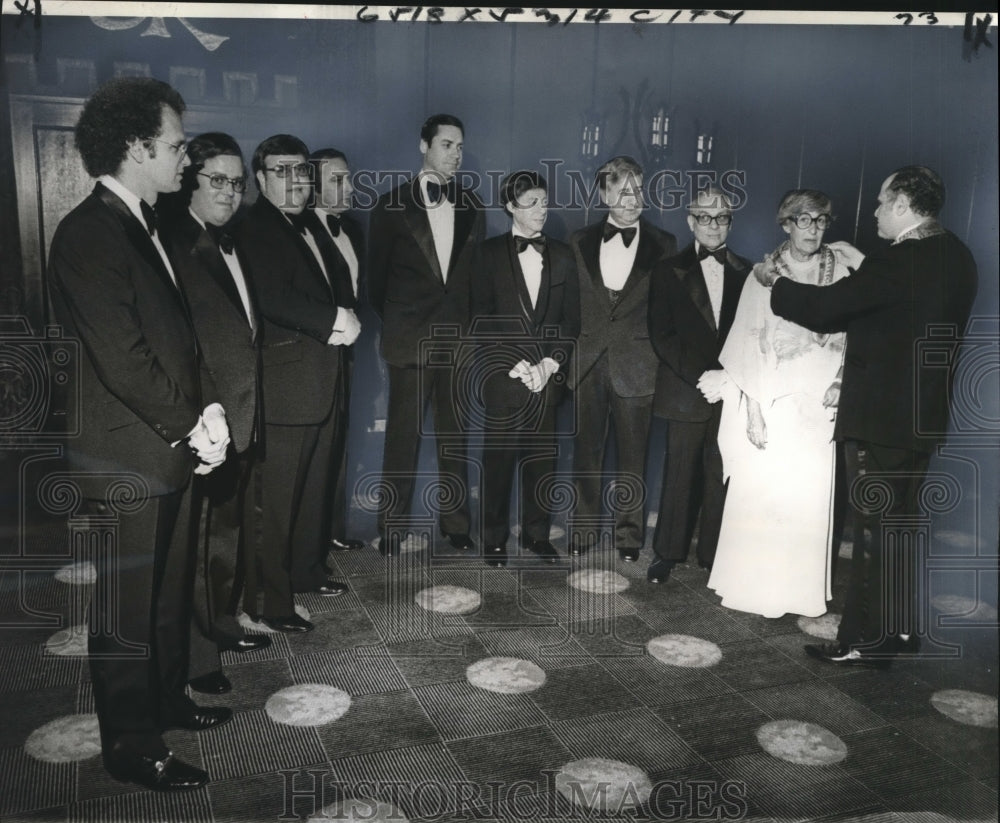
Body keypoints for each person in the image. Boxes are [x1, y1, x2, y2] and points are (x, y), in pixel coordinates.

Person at [47, 77, 231, 791]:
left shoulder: (149, 223)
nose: (185, 159)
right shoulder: (87, 233)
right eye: (177, 146)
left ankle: (163, 698)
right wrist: (192, 421)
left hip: (170, 446)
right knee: (124, 607)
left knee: (163, 589)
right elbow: (124, 357)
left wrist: (208, 413)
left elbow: (181, 341)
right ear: (136, 148)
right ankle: (129, 741)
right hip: (126, 452)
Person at [755, 166, 978, 665]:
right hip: (923, 418)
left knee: (874, 529)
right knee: (902, 526)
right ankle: (899, 631)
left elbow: (826, 309)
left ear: (902, 205)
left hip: (879, 418)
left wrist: (776, 281)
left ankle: (860, 640)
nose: (874, 211)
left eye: (880, 202)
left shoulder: (898, 262)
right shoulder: (960, 256)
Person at [160, 132, 272, 697]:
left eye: (237, 182)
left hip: (241, 411)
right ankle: (198, 660)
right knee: (200, 540)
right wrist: (206, 416)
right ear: (190, 181)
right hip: (206, 419)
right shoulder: (174, 243)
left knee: (225, 532)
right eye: (217, 180)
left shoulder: (234, 240)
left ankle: (221, 625)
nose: (230, 192)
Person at [708, 190, 852, 617]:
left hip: (819, 404)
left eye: (821, 221)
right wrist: (752, 410)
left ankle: (797, 592)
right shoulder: (763, 275)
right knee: (766, 496)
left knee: (805, 498)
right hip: (771, 402)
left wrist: (842, 380)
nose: (813, 229)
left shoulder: (844, 270)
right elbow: (746, 342)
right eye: (803, 220)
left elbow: (858, 334)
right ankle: (754, 589)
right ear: (786, 224)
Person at [235, 134, 354, 633]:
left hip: (322, 375)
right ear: (260, 179)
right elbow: (270, 297)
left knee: (313, 488)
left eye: (303, 171)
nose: (297, 181)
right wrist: (332, 319)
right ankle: (271, 602)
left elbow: (338, 283)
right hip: (286, 385)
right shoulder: (252, 226)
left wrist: (341, 314)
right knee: (277, 501)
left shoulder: (308, 224)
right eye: (283, 171)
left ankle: (306, 570)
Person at [368, 114, 485, 555]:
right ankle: (392, 528)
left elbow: (474, 282)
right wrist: (405, 324)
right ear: (423, 146)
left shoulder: (472, 204)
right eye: (446, 145)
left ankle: (456, 526)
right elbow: (375, 287)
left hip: (457, 344)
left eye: (460, 147)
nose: (455, 154)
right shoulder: (390, 205)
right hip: (410, 342)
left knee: (456, 439)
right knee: (402, 438)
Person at [566, 156, 676, 562]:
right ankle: (583, 529)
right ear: (604, 193)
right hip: (588, 362)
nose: (632, 200)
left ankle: (629, 536)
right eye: (623, 192)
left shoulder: (664, 244)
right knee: (586, 453)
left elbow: (667, 312)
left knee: (634, 455)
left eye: (638, 191)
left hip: (638, 364)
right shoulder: (577, 240)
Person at [471, 171, 580, 566]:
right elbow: (477, 317)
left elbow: (571, 322)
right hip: (504, 381)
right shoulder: (486, 254)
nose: (541, 210)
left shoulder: (564, 255)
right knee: (498, 464)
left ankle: (537, 536)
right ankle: (493, 539)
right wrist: (511, 363)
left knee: (542, 463)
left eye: (544, 202)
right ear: (510, 208)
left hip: (546, 381)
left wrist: (550, 364)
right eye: (531, 203)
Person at [647, 188, 751, 584]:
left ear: (730, 222)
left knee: (720, 473)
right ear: (690, 222)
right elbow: (661, 333)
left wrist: (727, 377)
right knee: (679, 474)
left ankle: (713, 555)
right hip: (686, 388)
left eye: (721, 217)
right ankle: (667, 554)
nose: (713, 225)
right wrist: (699, 376)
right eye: (704, 217)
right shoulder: (666, 269)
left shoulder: (748, 272)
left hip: (730, 388)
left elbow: (750, 334)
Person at [309, 147, 366, 554]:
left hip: (348, 355)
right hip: (312, 359)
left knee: (343, 442)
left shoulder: (354, 230)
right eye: (336, 179)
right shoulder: (301, 231)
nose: (347, 186)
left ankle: (333, 528)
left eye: (348, 177)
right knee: (314, 451)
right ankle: (308, 537)